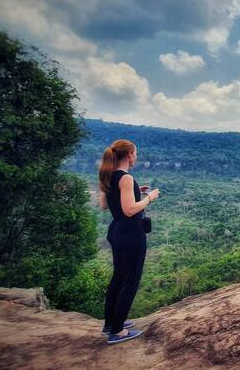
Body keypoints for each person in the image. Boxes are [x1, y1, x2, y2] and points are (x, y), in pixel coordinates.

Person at [98, 139, 160, 345]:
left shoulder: (110, 176)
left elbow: (104, 205)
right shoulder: (125, 178)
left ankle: (111, 323)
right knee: (130, 280)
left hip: (117, 231)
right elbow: (130, 210)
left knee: (119, 277)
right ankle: (117, 331)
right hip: (131, 233)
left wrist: (135, 191)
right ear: (130, 154)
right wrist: (149, 197)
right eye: (136, 153)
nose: (137, 157)